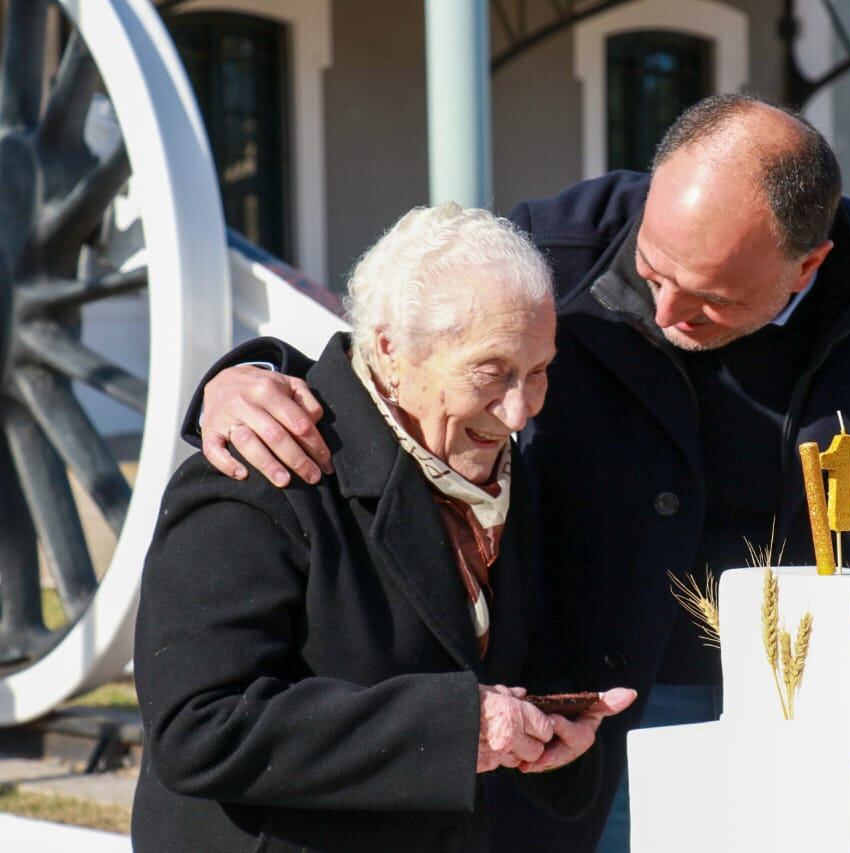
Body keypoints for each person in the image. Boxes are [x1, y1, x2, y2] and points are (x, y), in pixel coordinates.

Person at [186, 95, 850, 852]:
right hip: (595, 704)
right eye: (653, 270)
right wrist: (247, 374)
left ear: (807, 264)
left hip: (824, 701)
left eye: (712, 301)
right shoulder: (557, 242)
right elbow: (408, 351)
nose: (669, 312)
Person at [132, 204, 635, 852]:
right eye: (491, 372)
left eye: (538, 370)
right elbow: (197, 727)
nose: (518, 410)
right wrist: (461, 728)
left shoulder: (497, 468)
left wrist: (553, 726)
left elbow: (488, 654)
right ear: (392, 349)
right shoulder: (265, 471)